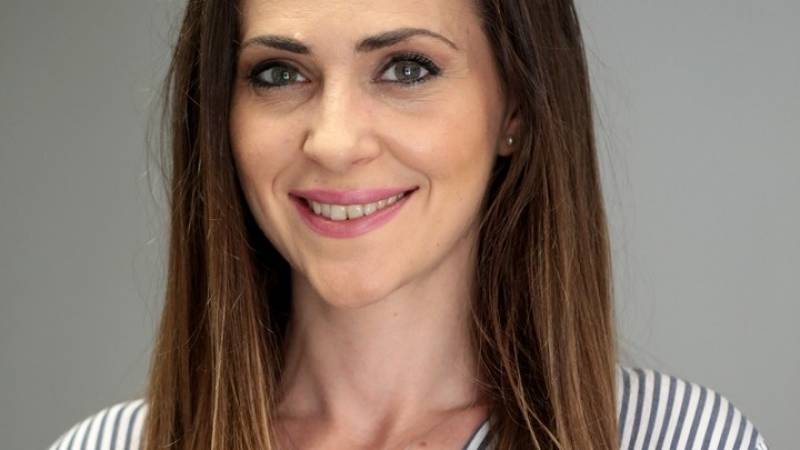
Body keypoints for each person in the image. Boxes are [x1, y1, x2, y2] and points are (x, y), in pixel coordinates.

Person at [47, 0, 769, 449]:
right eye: (279, 73)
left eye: (407, 68)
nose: (334, 141)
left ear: (516, 106)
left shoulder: (678, 438)